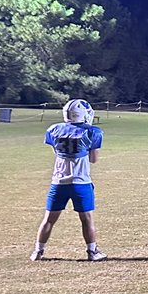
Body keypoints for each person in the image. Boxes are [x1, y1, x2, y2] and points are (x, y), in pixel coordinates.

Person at [31, 99, 107, 262]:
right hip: (80, 181)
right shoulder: (92, 132)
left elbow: (57, 152)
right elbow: (93, 159)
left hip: (58, 182)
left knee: (49, 219)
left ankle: (38, 251)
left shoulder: (54, 129)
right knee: (86, 219)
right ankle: (92, 252)